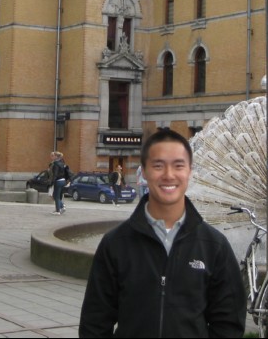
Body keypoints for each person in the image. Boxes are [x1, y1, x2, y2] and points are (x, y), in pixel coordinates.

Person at [79, 129, 245, 337]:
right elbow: (94, 322)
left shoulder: (214, 246)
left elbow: (229, 322)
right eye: (158, 166)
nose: (168, 175)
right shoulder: (115, 244)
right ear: (144, 172)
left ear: (190, 172)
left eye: (178, 166)